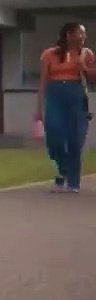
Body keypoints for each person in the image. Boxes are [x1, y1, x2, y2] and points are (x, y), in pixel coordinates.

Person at [35, 22, 95, 193]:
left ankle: (73, 182)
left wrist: (85, 69)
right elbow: (43, 81)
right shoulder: (49, 54)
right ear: (68, 35)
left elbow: (93, 77)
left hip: (76, 96)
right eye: (80, 33)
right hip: (55, 96)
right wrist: (38, 107)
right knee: (54, 135)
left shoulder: (86, 54)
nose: (83, 37)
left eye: (84, 33)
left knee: (75, 139)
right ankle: (63, 168)